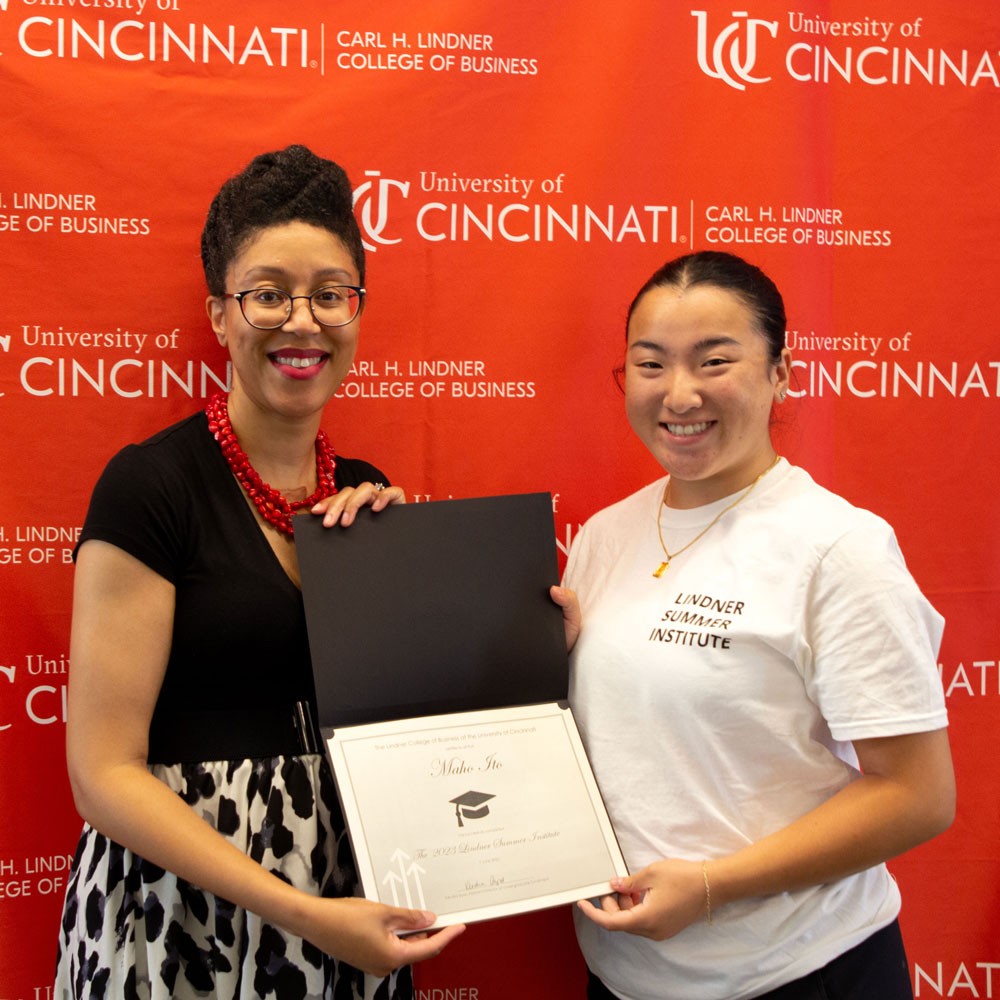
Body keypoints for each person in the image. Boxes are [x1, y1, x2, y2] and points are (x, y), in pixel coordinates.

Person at [55, 145, 464, 998]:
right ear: (220, 314)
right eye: (268, 294)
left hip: (349, 899)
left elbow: (413, 732)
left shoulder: (366, 497)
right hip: (179, 913)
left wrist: (477, 610)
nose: (303, 322)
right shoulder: (151, 487)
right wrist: (302, 914)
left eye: (331, 294)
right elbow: (103, 776)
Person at [551, 250, 954, 1000]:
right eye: (650, 364)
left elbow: (918, 795)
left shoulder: (837, 547)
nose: (679, 394)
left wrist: (713, 886)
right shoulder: (604, 535)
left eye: (714, 361)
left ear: (780, 373)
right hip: (625, 976)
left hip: (797, 971)